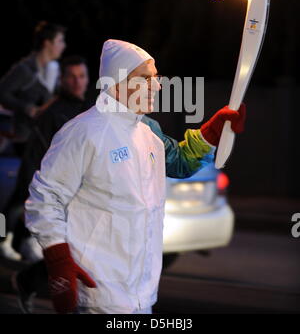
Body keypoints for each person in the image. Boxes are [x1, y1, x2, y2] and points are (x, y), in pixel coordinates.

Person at [25, 39, 246, 315]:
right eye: (145, 78)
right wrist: (58, 260)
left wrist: (213, 132)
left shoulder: (147, 130)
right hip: (100, 292)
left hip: (142, 294)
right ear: (116, 83)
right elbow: (45, 198)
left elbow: (179, 162)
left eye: (156, 78)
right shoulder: (84, 132)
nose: (157, 85)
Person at [0, 56, 91, 263]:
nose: (77, 81)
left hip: (72, 182)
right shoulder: (53, 112)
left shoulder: (88, 108)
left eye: (82, 76)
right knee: (16, 208)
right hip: (50, 179)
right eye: (72, 77)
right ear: (62, 80)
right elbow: (39, 151)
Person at [0, 21, 66, 150]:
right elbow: (2, 93)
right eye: (60, 41)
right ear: (47, 43)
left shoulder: (55, 71)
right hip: (24, 141)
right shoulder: (25, 70)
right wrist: (26, 107)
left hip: (45, 140)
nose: (63, 45)